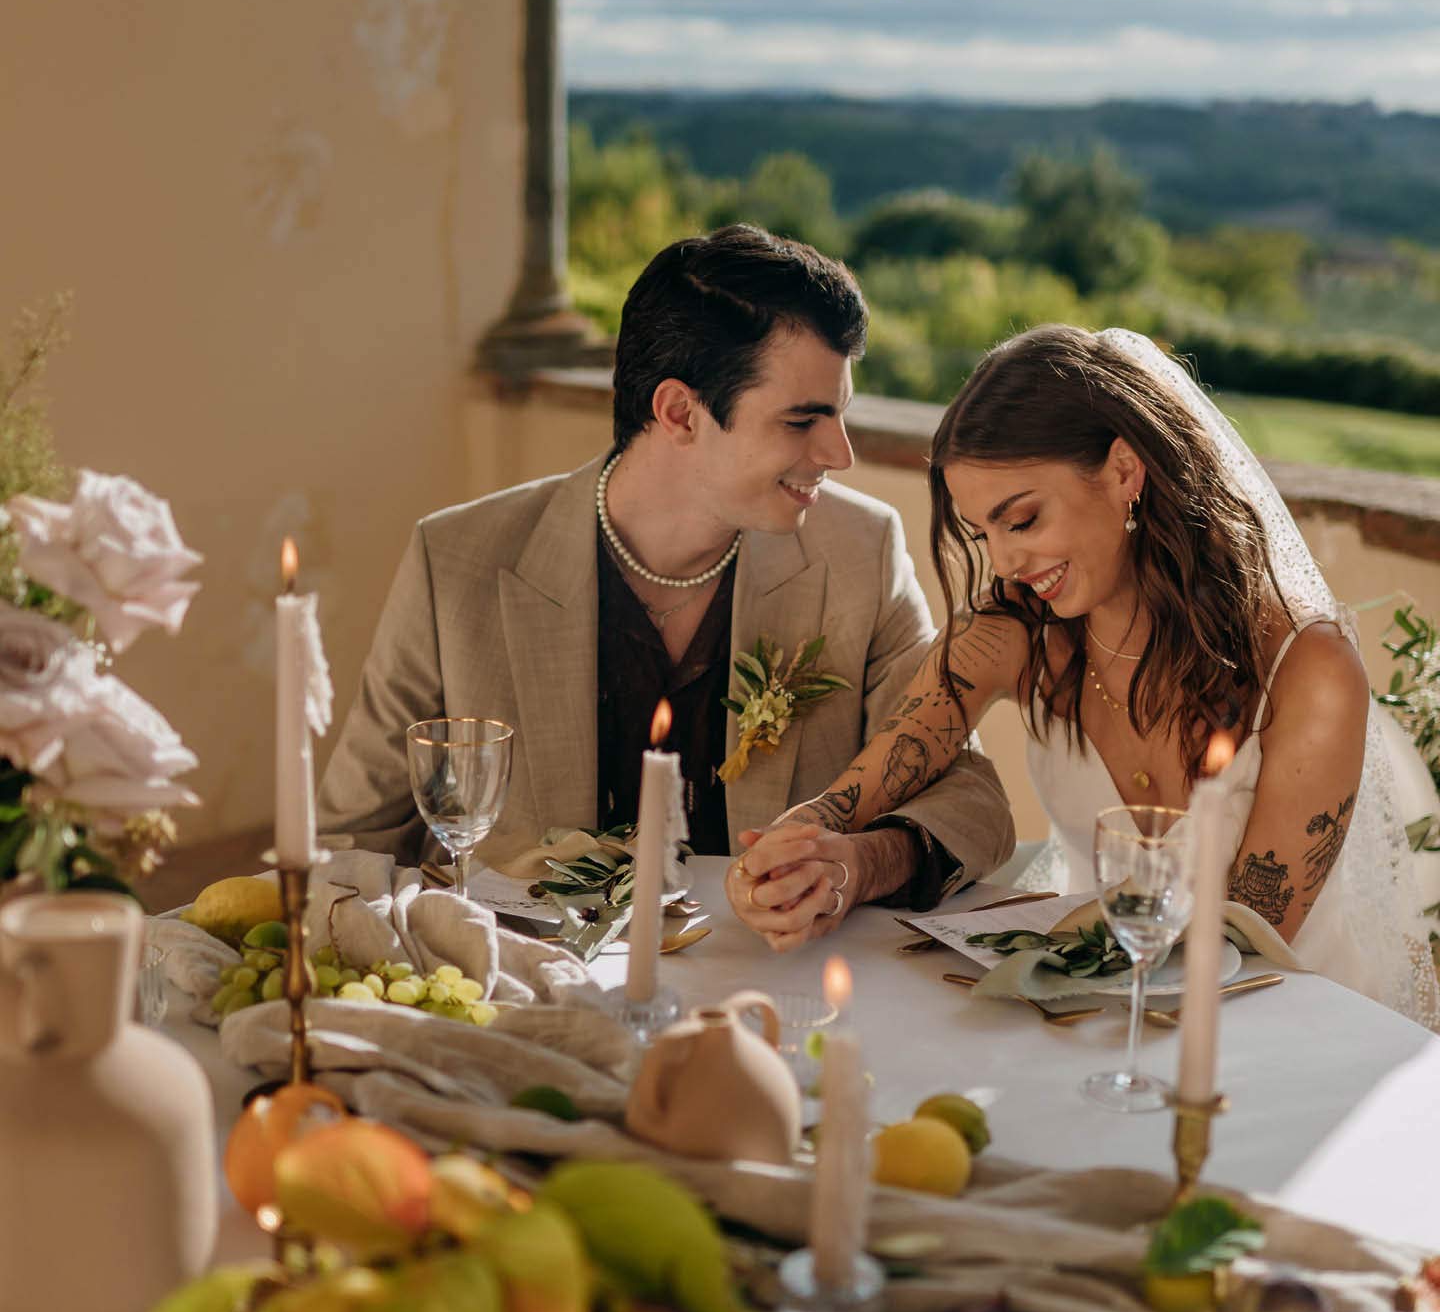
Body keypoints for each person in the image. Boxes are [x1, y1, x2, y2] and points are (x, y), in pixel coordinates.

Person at [729, 323, 1440, 1026]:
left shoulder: (1306, 670)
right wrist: (794, 853)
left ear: (1125, 472)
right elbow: (854, 794)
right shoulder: (1007, 632)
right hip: (1102, 1019)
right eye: (985, 534)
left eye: (1024, 520)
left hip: (1278, 1028)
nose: (1005, 564)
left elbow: (1243, 945)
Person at [317, 225, 1014, 911]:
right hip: (534, 998)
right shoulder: (459, 563)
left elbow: (972, 799)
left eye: (840, 416)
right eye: (803, 421)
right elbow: (352, 842)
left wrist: (861, 863)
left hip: (770, 993)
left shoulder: (860, 550)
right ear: (679, 412)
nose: (840, 454)